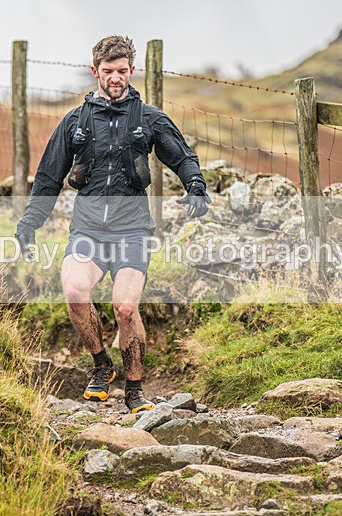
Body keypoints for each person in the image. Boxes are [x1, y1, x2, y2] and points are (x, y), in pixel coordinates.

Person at [14, 35, 211, 413]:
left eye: (122, 71)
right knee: (74, 292)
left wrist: (196, 186)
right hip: (87, 230)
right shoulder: (75, 121)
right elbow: (48, 177)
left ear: (131, 70)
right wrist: (29, 223)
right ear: (95, 72)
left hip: (132, 230)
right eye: (108, 72)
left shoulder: (149, 118)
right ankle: (102, 365)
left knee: (124, 307)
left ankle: (135, 387)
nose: (116, 78)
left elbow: (183, 158)